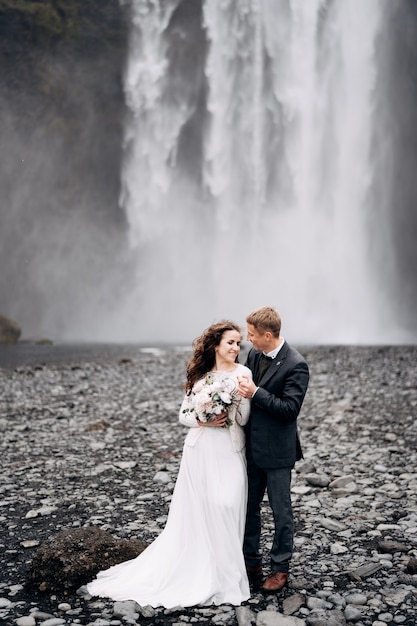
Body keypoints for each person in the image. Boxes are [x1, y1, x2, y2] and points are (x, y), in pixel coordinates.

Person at [87, 321, 252, 608]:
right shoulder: (200, 376)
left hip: (229, 448)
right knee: (200, 511)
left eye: (239, 343)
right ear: (216, 346)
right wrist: (205, 418)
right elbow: (184, 415)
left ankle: (228, 575)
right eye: (231, 343)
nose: (236, 348)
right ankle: (204, 572)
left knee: (227, 504)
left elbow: (244, 419)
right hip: (200, 449)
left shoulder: (243, 374)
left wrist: (238, 400)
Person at [237, 306, 309, 594]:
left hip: (278, 452)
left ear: (268, 335)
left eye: (252, 335)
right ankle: (250, 562)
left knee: (282, 512)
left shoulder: (296, 364)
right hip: (252, 448)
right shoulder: (254, 354)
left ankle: (280, 569)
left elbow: (289, 409)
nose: (247, 338)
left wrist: (256, 393)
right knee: (249, 507)